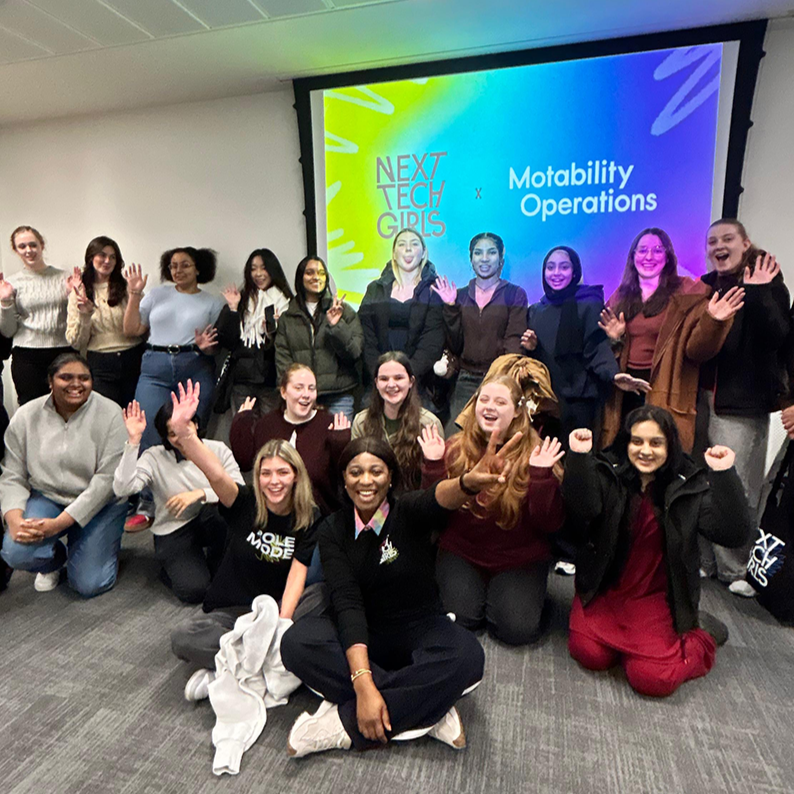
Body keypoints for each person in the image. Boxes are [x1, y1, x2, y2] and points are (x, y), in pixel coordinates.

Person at [280, 435, 505, 758]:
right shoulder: (331, 530)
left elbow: (437, 498)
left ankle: (343, 725)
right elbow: (347, 604)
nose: (366, 481)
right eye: (355, 472)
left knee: (468, 657)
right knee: (295, 643)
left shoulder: (408, 511)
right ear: (343, 480)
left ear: (390, 478)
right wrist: (363, 684)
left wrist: (468, 483)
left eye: (376, 471)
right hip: (361, 633)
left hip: (419, 625)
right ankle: (427, 709)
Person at [563, 406, 754, 698]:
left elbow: (734, 533)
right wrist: (578, 458)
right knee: (589, 653)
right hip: (606, 590)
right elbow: (582, 509)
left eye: (656, 443)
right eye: (637, 441)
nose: (645, 450)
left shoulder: (688, 485)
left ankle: (701, 635)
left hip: (657, 599)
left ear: (670, 445)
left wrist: (725, 474)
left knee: (652, 679)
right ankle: (633, 647)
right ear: (626, 442)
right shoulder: (610, 471)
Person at [167, 382, 321, 701]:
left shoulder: (309, 515)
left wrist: (280, 623)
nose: (274, 481)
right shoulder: (244, 502)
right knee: (183, 637)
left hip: (274, 610)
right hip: (231, 614)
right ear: (257, 476)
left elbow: (297, 573)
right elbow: (216, 474)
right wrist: (185, 433)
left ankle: (226, 669)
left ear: (296, 475)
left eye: (283, 473)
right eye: (266, 473)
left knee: (320, 595)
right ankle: (263, 665)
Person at [421, 375, 565, 645]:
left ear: (517, 412)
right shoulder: (454, 447)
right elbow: (432, 513)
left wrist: (542, 478)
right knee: (460, 621)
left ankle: (526, 596)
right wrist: (433, 467)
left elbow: (550, 524)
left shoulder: (537, 454)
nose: (489, 407)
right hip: (462, 551)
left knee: (515, 631)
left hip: (519, 557)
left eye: (500, 402)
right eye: (483, 400)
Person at [695, 219, 791, 596]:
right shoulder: (705, 286)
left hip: (740, 404)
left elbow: (778, 337)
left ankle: (736, 568)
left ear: (746, 242)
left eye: (728, 239)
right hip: (700, 398)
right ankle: (704, 560)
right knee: (700, 480)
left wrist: (758, 292)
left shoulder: (767, 280)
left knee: (737, 486)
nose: (719, 246)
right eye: (712, 241)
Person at [598, 227, 744, 452]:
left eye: (657, 250)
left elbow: (697, 351)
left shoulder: (689, 293)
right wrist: (616, 339)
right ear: (633, 256)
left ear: (667, 257)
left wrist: (713, 321)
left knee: (663, 460)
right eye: (642, 250)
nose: (649, 256)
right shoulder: (620, 296)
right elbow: (606, 352)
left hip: (667, 390)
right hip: (625, 393)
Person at [0, 353, 127, 596]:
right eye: (66, 377)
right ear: (50, 381)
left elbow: (105, 482)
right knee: (15, 552)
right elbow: (12, 475)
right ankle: (55, 559)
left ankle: (96, 545)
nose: (76, 384)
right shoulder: (26, 416)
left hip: (101, 504)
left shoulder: (111, 414)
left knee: (89, 584)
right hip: (47, 498)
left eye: (84, 378)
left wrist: (58, 525)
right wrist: (14, 520)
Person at [122, 248, 223, 528]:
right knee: (149, 432)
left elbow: (216, 346)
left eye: (185, 265)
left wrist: (207, 348)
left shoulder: (212, 302)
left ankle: (191, 497)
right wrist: (134, 294)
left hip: (195, 364)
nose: (178, 270)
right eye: (173, 265)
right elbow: (131, 330)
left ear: (198, 269)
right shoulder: (155, 294)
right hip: (155, 365)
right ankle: (147, 502)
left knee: (189, 434)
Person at [113, 398, 243, 603]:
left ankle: (217, 561)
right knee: (194, 591)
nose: (180, 437)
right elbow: (123, 489)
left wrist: (200, 493)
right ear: (165, 436)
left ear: (196, 424)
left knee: (221, 514)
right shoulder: (154, 456)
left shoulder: (217, 449)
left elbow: (239, 492)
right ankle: (174, 565)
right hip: (174, 527)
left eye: (185, 427)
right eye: (172, 433)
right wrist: (133, 442)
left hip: (209, 519)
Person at [521, 246, 624, 440]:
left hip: (580, 400)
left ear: (575, 271)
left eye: (564, 267)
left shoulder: (590, 304)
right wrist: (532, 348)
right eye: (550, 267)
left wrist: (614, 375)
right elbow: (538, 359)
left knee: (577, 461)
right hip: (546, 400)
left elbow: (596, 348)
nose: (556, 273)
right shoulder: (536, 310)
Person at [432, 232, 527, 432]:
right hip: (465, 379)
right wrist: (450, 307)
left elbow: (514, 340)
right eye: (478, 253)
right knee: (456, 442)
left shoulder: (515, 294)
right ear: (471, 259)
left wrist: (502, 377)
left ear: (501, 258)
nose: (484, 258)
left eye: (491, 252)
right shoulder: (459, 295)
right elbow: (454, 344)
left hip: (500, 379)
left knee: (497, 441)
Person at [230, 363, 350, 515]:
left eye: (311, 388)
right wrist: (241, 424)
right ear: (283, 392)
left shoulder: (330, 425)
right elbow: (245, 462)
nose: (306, 394)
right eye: (298, 388)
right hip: (272, 515)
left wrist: (341, 444)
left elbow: (344, 475)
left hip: (319, 516)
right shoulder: (267, 424)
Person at [359, 228, 444, 405]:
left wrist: (405, 378)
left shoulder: (434, 290)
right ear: (394, 253)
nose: (407, 249)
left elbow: (432, 342)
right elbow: (367, 337)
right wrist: (383, 377)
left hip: (419, 384)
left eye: (414, 244)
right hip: (379, 383)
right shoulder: (375, 289)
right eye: (402, 244)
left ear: (423, 253)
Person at [275, 256, 362, 421]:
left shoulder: (344, 311)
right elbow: (283, 361)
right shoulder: (288, 317)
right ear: (300, 278)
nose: (316, 277)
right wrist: (297, 391)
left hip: (338, 395)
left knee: (340, 444)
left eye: (322, 273)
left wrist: (336, 326)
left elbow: (354, 352)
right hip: (301, 397)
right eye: (310, 273)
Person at [66, 235, 146, 407]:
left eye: (112, 257)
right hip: (100, 362)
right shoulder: (79, 292)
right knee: (107, 417)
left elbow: (143, 326)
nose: (107, 261)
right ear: (91, 258)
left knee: (135, 415)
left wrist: (135, 294)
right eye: (102, 255)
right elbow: (76, 341)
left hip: (133, 357)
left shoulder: (127, 287)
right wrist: (85, 316)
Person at [0, 226, 73, 405]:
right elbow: (8, 331)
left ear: (41, 245)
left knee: (66, 407)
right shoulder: (12, 283)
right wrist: (5, 302)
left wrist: (74, 297)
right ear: (16, 251)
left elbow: (75, 320)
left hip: (62, 352)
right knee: (31, 410)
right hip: (27, 356)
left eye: (33, 245)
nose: (28, 250)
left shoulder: (64, 278)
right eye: (22, 246)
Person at [216, 248, 292, 417]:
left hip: (272, 380)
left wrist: (274, 330)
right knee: (243, 429)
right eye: (253, 268)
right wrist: (233, 309)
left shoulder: (286, 302)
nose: (258, 273)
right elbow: (227, 341)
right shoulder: (241, 299)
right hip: (242, 379)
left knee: (271, 431)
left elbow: (289, 344)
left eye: (263, 268)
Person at [351, 352, 443, 491]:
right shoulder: (361, 422)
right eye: (384, 379)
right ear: (376, 383)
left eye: (398, 378)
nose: (391, 384)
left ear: (411, 381)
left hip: (414, 501)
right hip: (374, 499)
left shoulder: (429, 424)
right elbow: (356, 471)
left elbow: (436, 481)